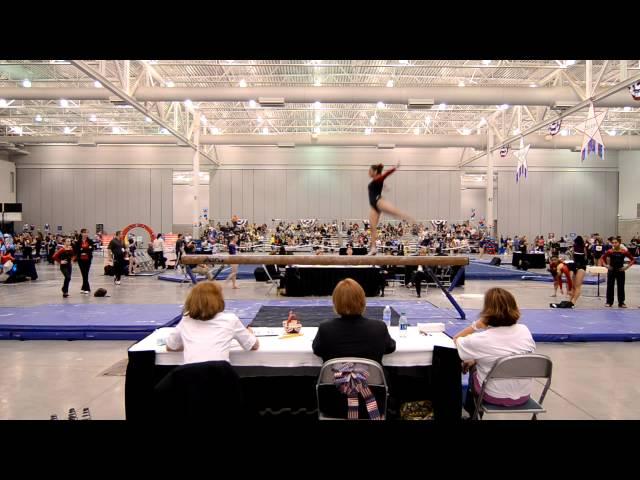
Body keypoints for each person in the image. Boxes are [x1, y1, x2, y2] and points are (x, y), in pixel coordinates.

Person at [454, 288, 536, 416]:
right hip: (523, 394)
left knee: (471, 367)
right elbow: (507, 354)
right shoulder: (524, 331)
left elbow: (456, 340)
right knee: (479, 360)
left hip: (493, 395)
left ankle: (473, 412)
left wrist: (476, 325)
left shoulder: (481, 339)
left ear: (487, 312)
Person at [166, 281, 259, 363]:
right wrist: (250, 333)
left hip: (191, 377)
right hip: (221, 375)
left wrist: (190, 346)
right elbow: (253, 346)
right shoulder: (230, 319)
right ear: (219, 300)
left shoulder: (186, 320)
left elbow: (171, 346)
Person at [312, 278, 396, 363]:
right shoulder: (379, 327)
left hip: (334, 375)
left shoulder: (325, 329)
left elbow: (317, 350)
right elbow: (390, 347)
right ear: (362, 301)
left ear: (335, 302)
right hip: (371, 375)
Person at [367, 162, 415, 255]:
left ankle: (411, 220)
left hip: (378, 201)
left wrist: (394, 168)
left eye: (370, 171)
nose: (368, 172)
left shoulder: (379, 178)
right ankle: (373, 248)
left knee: (395, 213)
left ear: (375, 171)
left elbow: (385, 175)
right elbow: (379, 183)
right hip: (373, 206)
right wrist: (385, 186)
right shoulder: (375, 180)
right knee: (372, 227)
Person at [600, 236, 635, 308]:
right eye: (613, 243)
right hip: (611, 271)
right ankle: (609, 302)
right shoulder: (610, 251)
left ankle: (621, 302)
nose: (614, 244)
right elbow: (602, 258)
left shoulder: (623, 251)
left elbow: (633, 259)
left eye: (616, 243)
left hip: (620, 271)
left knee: (621, 287)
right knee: (610, 286)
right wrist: (606, 265)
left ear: (619, 243)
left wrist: (626, 267)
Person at [74, 228, 94, 294]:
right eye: (84, 233)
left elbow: (91, 249)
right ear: (81, 233)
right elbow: (77, 250)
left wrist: (83, 249)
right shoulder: (78, 242)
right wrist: (84, 249)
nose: (86, 234)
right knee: (83, 273)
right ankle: (85, 287)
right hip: (81, 259)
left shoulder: (90, 241)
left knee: (86, 273)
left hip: (88, 259)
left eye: (87, 233)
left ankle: (86, 288)